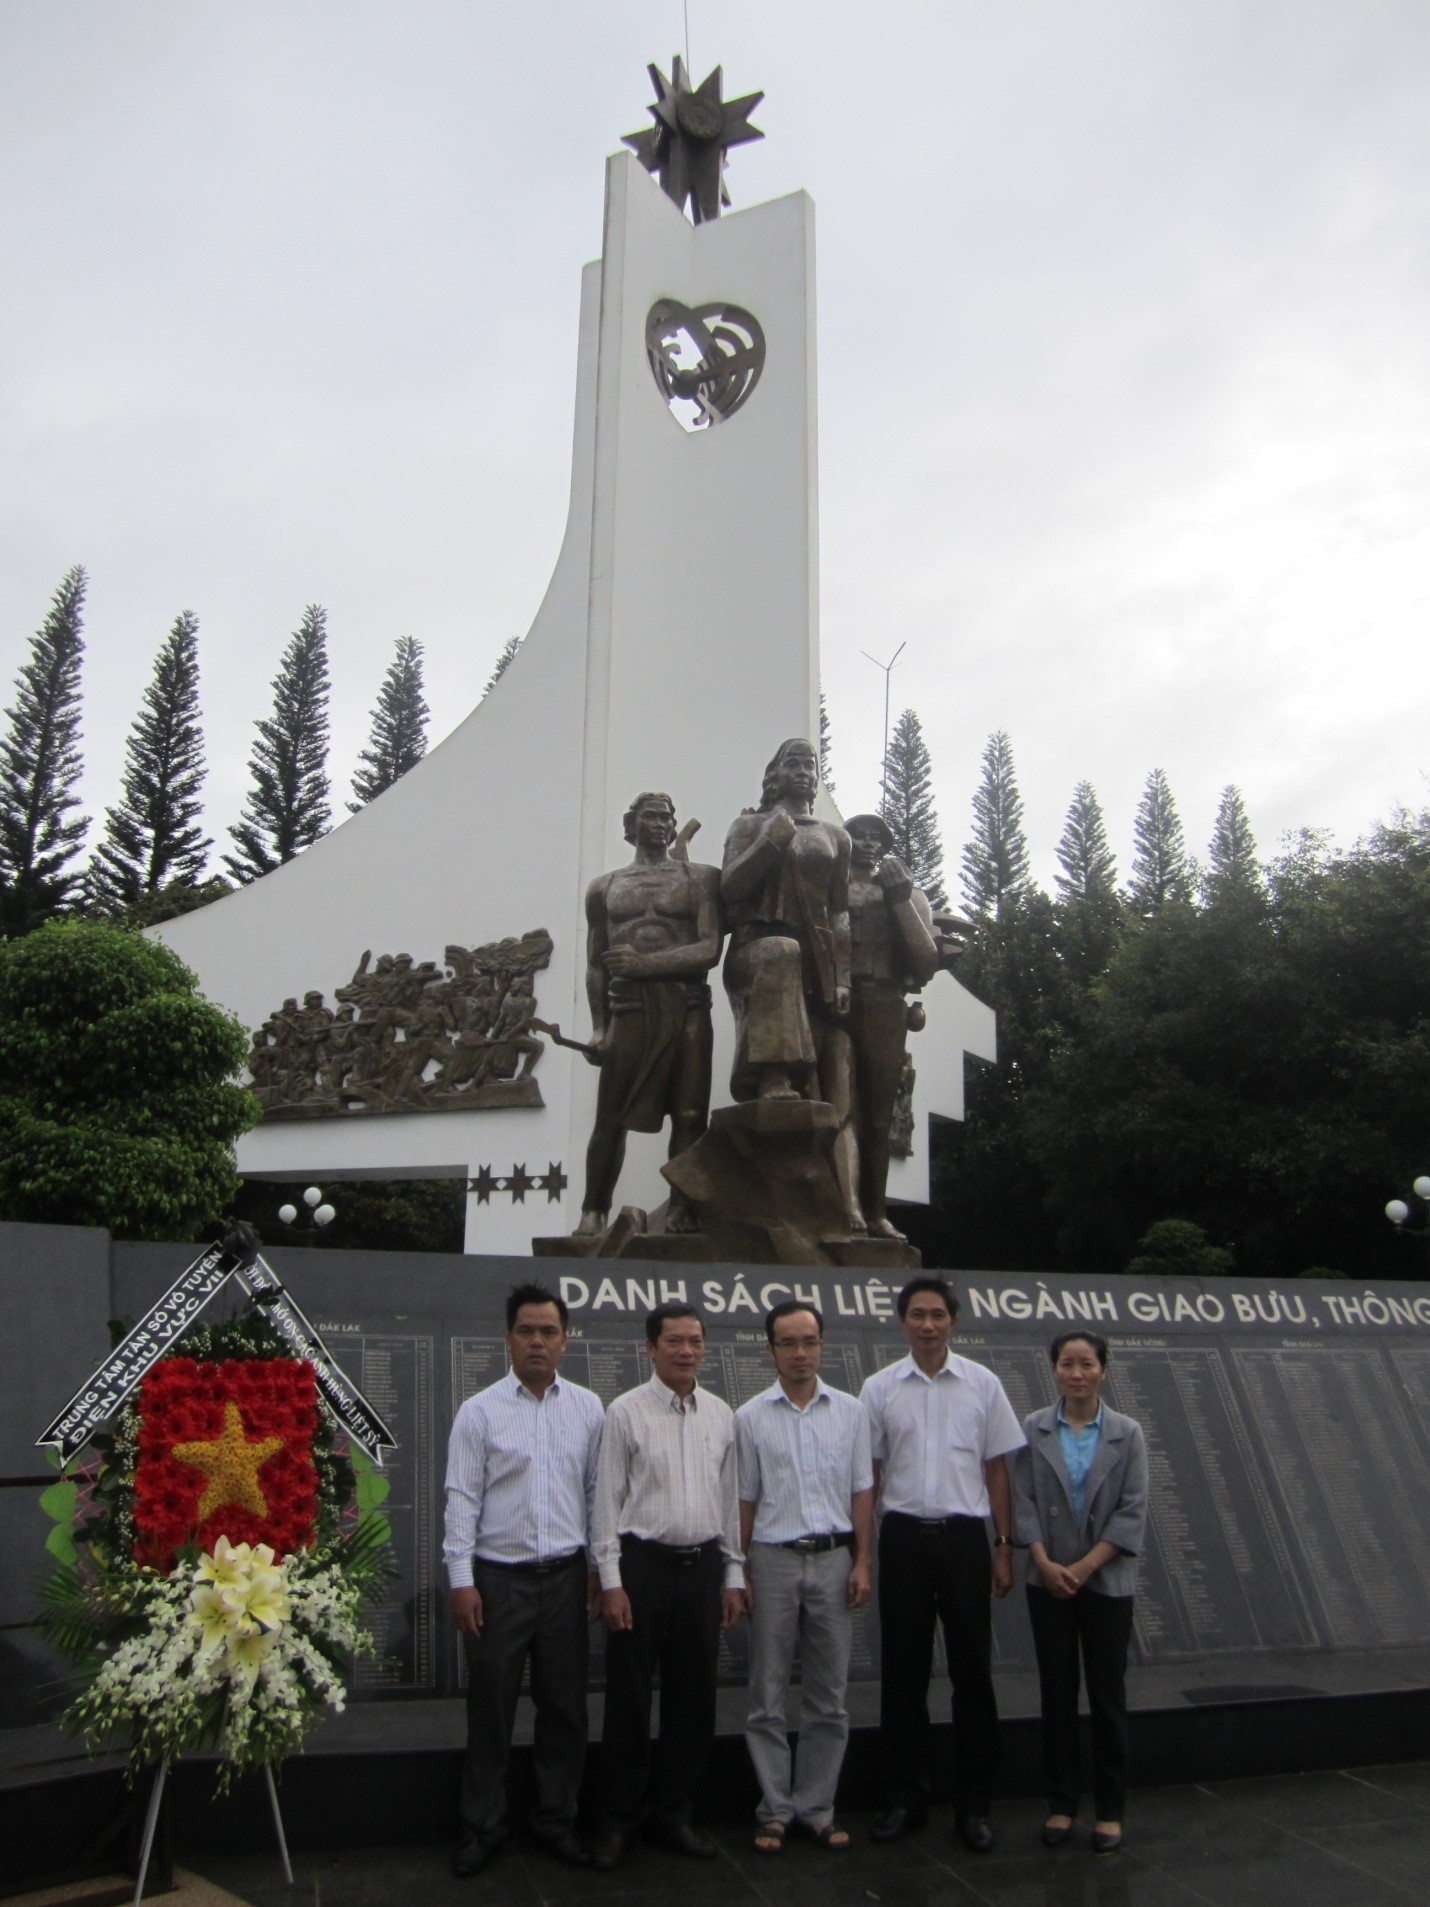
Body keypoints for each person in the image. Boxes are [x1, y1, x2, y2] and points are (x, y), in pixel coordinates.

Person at [442, 1283, 605, 1878]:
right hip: (497, 1582)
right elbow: (461, 1499)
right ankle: (483, 1828)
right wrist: (462, 1581)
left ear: (566, 1340)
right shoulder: (479, 1411)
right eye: (526, 1331)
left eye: (549, 1332)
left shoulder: (588, 1408)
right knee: (491, 1711)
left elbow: (596, 1496)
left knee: (565, 1711)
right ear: (508, 1338)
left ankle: (555, 1820)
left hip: (564, 1578)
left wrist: (597, 1571)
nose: (538, 1342)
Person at [859, 1275, 1025, 1853]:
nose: (928, 1324)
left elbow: (997, 1470)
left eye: (938, 1314)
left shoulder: (982, 1384)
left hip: (963, 1539)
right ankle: (904, 1799)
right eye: (917, 1314)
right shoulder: (879, 1388)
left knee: (972, 1672)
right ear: (901, 1321)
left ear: (953, 1321)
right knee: (902, 1674)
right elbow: (869, 1476)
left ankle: (974, 1804)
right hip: (903, 1536)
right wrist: (865, 1550)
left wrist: (1003, 1544)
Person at [590, 1302, 746, 1870]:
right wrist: (611, 1580)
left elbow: (728, 1504)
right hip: (643, 1569)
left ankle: (674, 1815)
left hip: (702, 1568)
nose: (686, 1352)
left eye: (695, 1341)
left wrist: (733, 1573)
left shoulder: (722, 1415)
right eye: (674, 1341)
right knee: (628, 1700)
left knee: (693, 1698)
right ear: (650, 1348)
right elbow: (606, 1503)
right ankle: (618, 1820)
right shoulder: (625, 1413)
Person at [736, 1300, 874, 1854]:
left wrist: (863, 1561)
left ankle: (816, 1806)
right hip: (772, 1559)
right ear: (770, 1349)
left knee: (828, 1696)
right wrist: (737, 1567)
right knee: (766, 1692)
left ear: (822, 1344)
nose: (800, 1353)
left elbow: (863, 1489)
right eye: (788, 1343)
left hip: (835, 1558)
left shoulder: (851, 1412)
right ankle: (773, 1808)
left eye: (810, 1341)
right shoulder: (750, 1417)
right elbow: (745, 1498)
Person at [1010, 1331, 1148, 1856]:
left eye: (1086, 1363)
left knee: (1108, 1695)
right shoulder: (1033, 1429)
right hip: (1047, 1581)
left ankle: (1110, 1810)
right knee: (1057, 1693)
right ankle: (1062, 1803)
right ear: (1054, 1371)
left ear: (1103, 1370)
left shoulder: (1126, 1433)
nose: (1076, 1373)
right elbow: (1021, 1500)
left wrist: (1087, 1565)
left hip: (1105, 1583)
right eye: (1066, 1363)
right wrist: (1042, 1560)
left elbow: (1132, 1508)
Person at [720, 737, 861, 1227]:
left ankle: (842, 1204)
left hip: (817, 961)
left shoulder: (836, 837)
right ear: (773, 775)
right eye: (792, 764)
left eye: (810, 764)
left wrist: (842, 977)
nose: (803, 771)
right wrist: (767, 845)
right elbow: (730, 890)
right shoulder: (750, 825)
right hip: (757, 951)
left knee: (834, 1071)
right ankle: (774, 1076)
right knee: (784, 952)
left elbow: (841, 912)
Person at [578, 791, 723, 1234]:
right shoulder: (604, 887)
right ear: (631, 825)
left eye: (666, 817)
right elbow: (595, 963)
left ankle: (682, 1206)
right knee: (609, 1117)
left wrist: (646, 965)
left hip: (688, 1006)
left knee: (690, 1115)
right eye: (650, 816)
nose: (660, 823)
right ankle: (593, 1211)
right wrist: (599, 1027)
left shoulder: (700, 878)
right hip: (629, 1009)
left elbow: (710, 949)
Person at [843, 813, 940, 1239]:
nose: (867, 843)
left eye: (875, 837)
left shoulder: (909, 894)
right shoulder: (831, 888)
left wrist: (899, 899)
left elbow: (925, 962)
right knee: (834, 1107)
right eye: (858, 836)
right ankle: (841, 1208)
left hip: (884, 1001)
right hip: (832, 1001)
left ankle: (875, 1210)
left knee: (878, 1116)